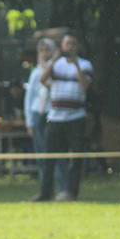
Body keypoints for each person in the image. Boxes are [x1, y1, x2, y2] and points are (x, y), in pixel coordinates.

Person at [36, 33, 93, 202]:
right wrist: (53, 61)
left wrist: (76, 65)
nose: (71, 47)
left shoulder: (85, 65)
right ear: (62, 46)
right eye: (68, 44)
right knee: (49, 157)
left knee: (75, 157)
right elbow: (42, 79)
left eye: (74, 44)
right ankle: (45, 193)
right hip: (55, 118)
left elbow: (85, 86)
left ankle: (71, 193)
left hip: (76, 117)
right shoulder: (56, 64)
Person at [24, 37, 62, 199]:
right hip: (38, 114)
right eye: (41, 50)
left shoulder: (58, 70)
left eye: (47, 49)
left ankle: (62, 189)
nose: (44, 53)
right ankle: (45, 191)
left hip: (52, 115)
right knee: (41, 155)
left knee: (55, 155)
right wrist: (29, 122)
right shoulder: (35, 73)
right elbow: (29, 97)